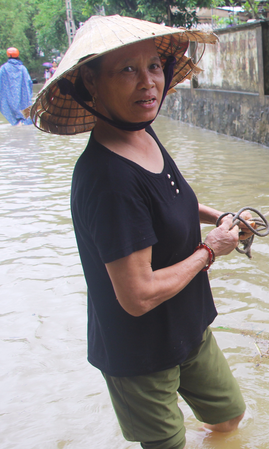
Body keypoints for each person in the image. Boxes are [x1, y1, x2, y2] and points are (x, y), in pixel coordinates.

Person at [28, 15, 252, 449]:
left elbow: (174, 200)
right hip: (140, 352)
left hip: (188, 325)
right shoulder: (107, 178)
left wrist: (222, 217)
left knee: (229, 417)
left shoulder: (142, 134)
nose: (148, 83)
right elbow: (138, 295)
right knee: (167, 445)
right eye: (127, 70)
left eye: (153, 66)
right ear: (91, 84)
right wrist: (211, 249)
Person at [0, 47, 33, 125]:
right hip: (23, 99)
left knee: (14, 122)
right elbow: (29, 82)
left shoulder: (3, 69)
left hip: (9, 100)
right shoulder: (23, 69)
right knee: (26, 117)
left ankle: (16, 123)